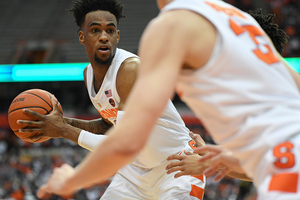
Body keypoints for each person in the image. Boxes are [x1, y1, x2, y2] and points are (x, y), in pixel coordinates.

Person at [20, 0, 300, 199]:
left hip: (175, 168)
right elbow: (114, 127)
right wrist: (224, 159)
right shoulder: (232, 17)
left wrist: (72, 179)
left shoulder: (171, 28)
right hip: (139, 173)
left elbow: (129, 143)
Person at [18, 0, 206, 199]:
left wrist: (64, 130)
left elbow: (123, 144)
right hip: (134, 173)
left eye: (109, 30)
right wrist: (61, 123)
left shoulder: (130, 70)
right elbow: (111, 125)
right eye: (95, 31)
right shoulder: (88, 74)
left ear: (117, 35)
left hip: (177, 165)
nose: (103, 37)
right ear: (82, 37)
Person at [165, 8, 290, 183]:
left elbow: (276, 164)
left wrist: (208, 162)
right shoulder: (262, 98)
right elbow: (255, 169)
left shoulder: (283, 99)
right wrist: (212, 159)